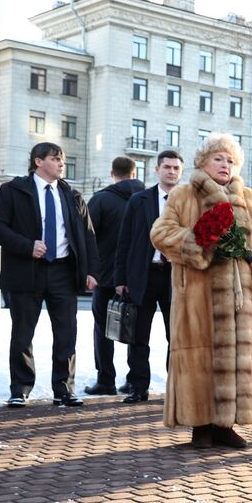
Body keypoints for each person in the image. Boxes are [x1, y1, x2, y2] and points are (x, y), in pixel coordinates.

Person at [150, 134, 252, 449]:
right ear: (202, 162)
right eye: (218, 159)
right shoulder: (184, 195)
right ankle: (201, 426)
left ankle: (227, 425)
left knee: (237, 358)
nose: (225, 165)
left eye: (230, 160)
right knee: (201, 357)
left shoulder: (249, 198)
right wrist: (201, 238)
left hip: (242, 300)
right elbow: (161, 233)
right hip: (198, 296)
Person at [0, 142, 98, 408]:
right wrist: (27, 246)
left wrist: (92, 271)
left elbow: (88, 235)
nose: (61, 164)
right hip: (26, 271)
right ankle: (20, 389)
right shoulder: (13, 190)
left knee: (66, 333)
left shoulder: (72, 195)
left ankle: (64, 389)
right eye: (56, 158)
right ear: (38, 161)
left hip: (63, 271)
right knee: (23, 333)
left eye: (63, 159)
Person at [113, 150, 183, 404]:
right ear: (157, 169)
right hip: (143, 275)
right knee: (138, 336)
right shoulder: (138, 200)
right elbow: (125, 241)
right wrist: (120, 278)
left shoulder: (188, 201)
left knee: (176, 336)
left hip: (176, 278)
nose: (172, 172)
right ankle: (138, 386)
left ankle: (175, 385)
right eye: (167, 167)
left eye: (176, 168)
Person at [84, 155, 144, 396]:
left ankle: (106, 380)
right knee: (137, 329)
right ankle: (133, 380)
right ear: (134, 173)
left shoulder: (100, 200)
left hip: (106, 275)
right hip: (138, 275)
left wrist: (90, 270)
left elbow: (87, 236)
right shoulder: (147, 199)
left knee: (102, 329)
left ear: (112, 174)